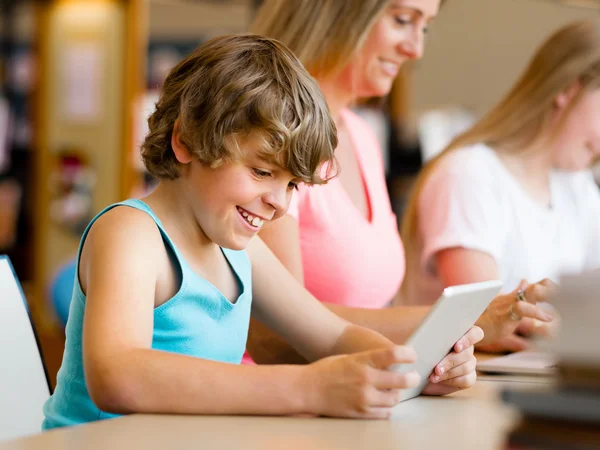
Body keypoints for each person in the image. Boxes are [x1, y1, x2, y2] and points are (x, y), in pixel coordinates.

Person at [42, 34, 482, 429]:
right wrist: (307, 387)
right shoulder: (131, 233)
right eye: (260, 171)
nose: (280, 202)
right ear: (186, 141)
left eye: (291, 184)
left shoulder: (239, 249)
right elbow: (117, 375)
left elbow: (332, 335)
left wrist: (406, 368)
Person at [246, 0, 554, 362]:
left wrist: (430, 359)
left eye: (423, 27)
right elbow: (280, 331)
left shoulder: (361, 136)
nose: (415, 49)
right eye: (402, 20)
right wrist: (462, 320)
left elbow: (370, 316)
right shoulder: (276, 133)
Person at [399, 20, 600, 350]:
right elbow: (484, 323)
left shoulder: (576, 188)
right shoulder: (468, 174)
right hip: (468, 386)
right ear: (568, 90)